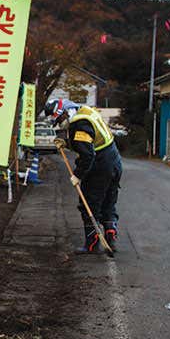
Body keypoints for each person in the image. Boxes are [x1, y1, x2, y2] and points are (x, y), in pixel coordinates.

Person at [45, 98, 122, 253]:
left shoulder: (79, 125)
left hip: (100, 165)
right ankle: (110, 235)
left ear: (65, 112)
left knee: (89, 203)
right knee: (108, 200)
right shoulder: (86, 111)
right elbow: (90, 140)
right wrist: (66, 143)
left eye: (60, 119)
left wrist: (77, 175)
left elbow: (87, 155)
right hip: (115, 161)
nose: (60, 123)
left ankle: (92, 244)